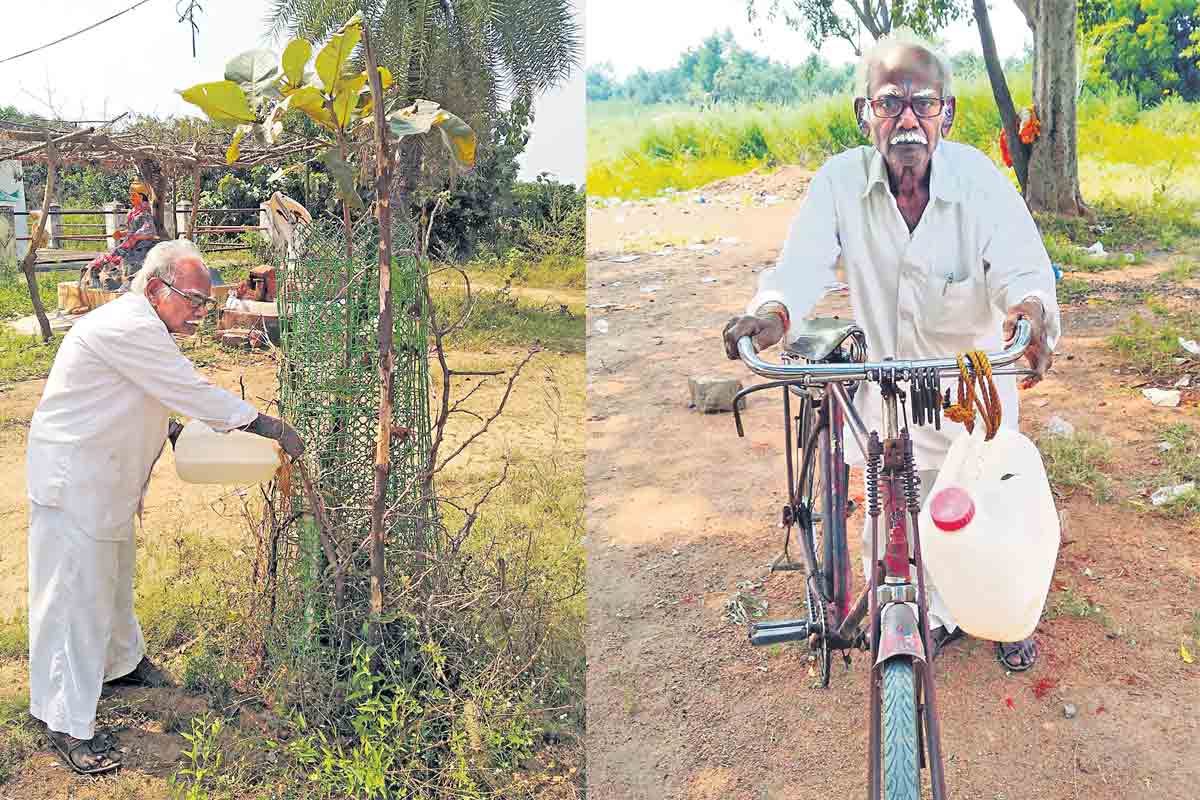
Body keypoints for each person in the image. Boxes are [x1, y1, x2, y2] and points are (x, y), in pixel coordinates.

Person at [722, 34, 1060, 673]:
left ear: (946, 115)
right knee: (895, 543)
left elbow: (1023, 269)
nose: (907, 119)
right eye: (889, 104)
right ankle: (928, 613)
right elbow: (799, 268)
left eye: (923, 103)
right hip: (886, 396)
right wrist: (773, 313)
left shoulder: (980, 184)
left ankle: (1001, 612)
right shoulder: (839, 184)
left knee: (985, 522)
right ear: (864, 114)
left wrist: (1032, 312)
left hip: (970, 403)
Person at [25, 239, 304, 774]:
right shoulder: (130, 327)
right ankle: (64, 720)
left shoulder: (143, 326)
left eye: (205, 301)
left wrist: (171, 429)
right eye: (193, 300)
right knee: (73, 599)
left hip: (103, 477)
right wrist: (265, 425)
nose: (200, 311)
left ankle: (120, 665)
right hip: (77, 480)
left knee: (111, 578)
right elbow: (186, 388)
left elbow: (139, 392)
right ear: (156, 289)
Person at [83, 179, 161, 289]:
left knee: (127, 260)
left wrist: (134, 237)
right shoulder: (133, 212)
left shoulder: (145, 213)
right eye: (131, 195)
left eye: (133, 195)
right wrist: (122, 234)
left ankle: (120, 281)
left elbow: (149, 230)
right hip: (129, 243)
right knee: (113, 255)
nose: (131, 198)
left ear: (141, 197)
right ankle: (96, 274)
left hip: (141, 245)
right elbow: (131, 230)